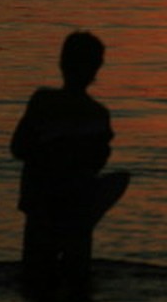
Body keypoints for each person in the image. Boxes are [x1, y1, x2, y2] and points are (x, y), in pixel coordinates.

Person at [11, 31, 129, 287]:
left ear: (62, 62)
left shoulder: (43, 101)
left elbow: (18, 148)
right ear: (96, 68)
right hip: (78, 208)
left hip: (41, 204)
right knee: (77, 282)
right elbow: (98, 163)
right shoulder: (98, 114)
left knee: (35, 279)